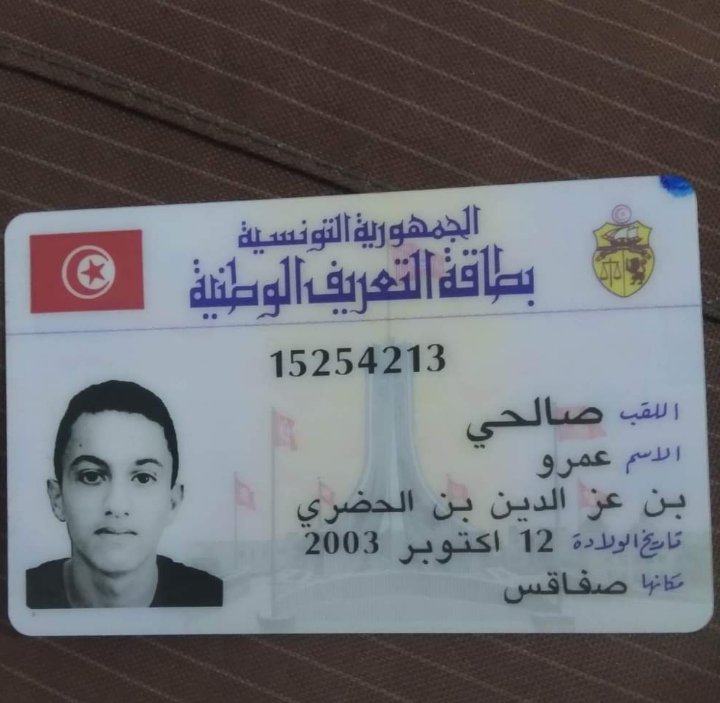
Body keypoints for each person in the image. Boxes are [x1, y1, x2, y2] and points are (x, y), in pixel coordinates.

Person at [26, 380, 223, 608]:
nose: (117, 505)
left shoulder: (214, 601)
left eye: (143, 478)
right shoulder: (19, 597)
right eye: (91, 476)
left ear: (173, 502)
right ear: (57, 498)